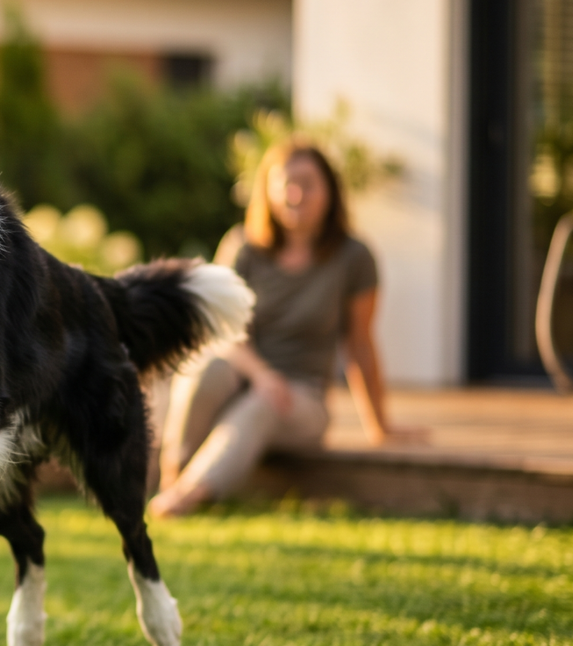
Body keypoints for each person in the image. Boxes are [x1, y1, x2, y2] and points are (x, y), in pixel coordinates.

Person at [147, 140, 424, 518]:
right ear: (269, 191)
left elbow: (361, 343)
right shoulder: (242, 246)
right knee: (207, 368)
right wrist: (263, 375)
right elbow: (224, 333)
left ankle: (188, 497)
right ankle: (171, 476)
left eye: (308, 183)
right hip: (247, 376)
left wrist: (380, 426)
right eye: (286, 183)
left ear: (330, 191)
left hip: (303, 398)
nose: (296, 194)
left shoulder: (354, 256)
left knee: (264, 403)